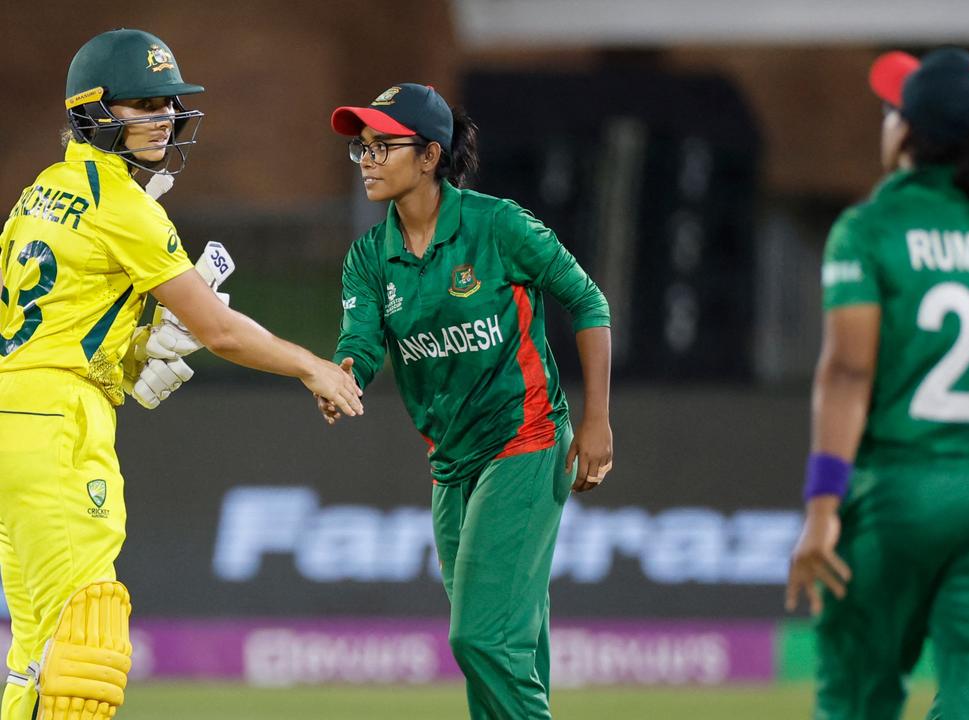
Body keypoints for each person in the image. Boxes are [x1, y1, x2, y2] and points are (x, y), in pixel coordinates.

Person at [0, 28, 363, 720]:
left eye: (169, 103)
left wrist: (130, 350)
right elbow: (219, 329)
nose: (165, 117)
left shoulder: (42, 189)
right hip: (58, 426)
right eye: (144, 104)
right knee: (87, 643)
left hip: (16, 412)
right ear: (96, 113)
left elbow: (47, 318)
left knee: (36, 650)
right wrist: (310, 364)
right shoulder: (127, 207)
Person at [785, 48, 969, 719]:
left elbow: (849, 373)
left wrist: (823, 509)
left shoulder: (870, 229)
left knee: (859, 692)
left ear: (908, 132)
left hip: (905, 491)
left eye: (892, 113)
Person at [325, 83, 613, 719]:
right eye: (361, 147)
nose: (367, 159)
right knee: (514, 644)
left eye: (383, 145)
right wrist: (344, 373)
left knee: (478, 637)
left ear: (430, 156)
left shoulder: (496, 225)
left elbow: (588, 301)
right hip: (450, 466)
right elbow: (361, 340)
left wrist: (597, 421)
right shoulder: (371, 257)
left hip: (527, 441)